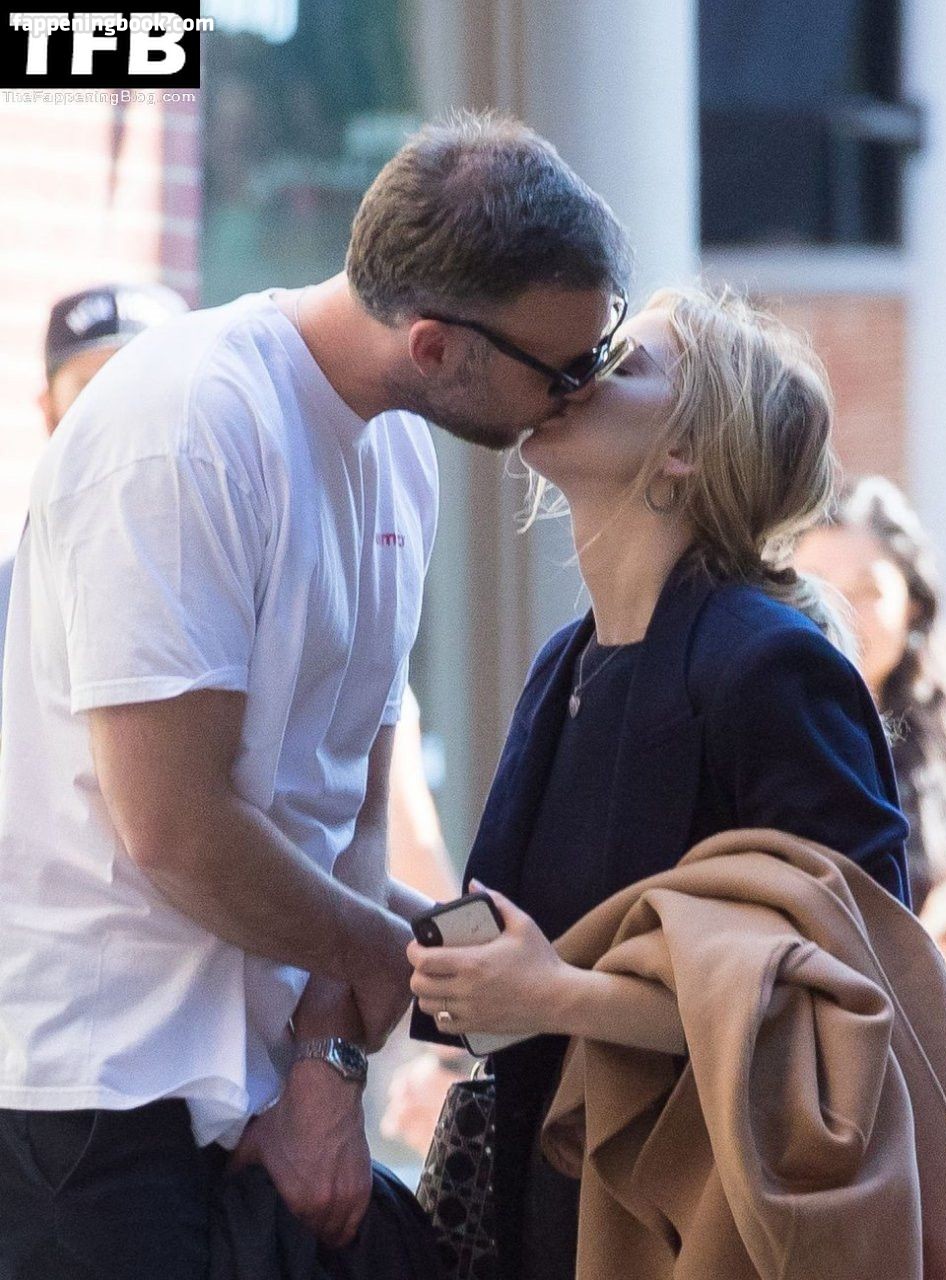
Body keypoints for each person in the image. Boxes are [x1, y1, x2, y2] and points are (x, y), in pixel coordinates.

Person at [0, 112, 632, 1279]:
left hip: (252, 1088)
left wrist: (326, 1058)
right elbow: (175, 828)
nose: (578, 396)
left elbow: (351, 805)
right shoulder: (187, 428)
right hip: (96, 1104)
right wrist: (390, 961)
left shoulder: (397, 450)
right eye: (564, 370)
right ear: (434, 345)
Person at [408, 286, 911, 1279]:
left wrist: (557, 994)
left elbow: (853, 992)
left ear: (681, 452)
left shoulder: (768, 665)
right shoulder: (566, 664)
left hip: (694, 1226)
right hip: (551, 1208)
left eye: (618, 362)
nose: (574, 374)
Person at [795, 474, 946, 1230]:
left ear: (912, 602)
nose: (843, 613)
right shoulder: (783, 729)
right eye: (819, 587)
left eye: (867, 590)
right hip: (843, 1049)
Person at [0, 282, 190, 728]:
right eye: (90, 390)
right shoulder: (9, 602)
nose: (113, 414)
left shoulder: (251, 571)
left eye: (140, 386)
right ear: (48, 410)